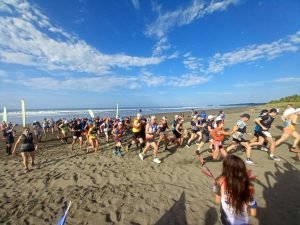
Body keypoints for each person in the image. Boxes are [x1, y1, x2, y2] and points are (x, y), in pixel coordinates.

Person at [213, 155, 257, 225]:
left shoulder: (219, 181)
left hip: (226, 220)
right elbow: (253, 213)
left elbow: (217, 201)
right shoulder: (249, 187)